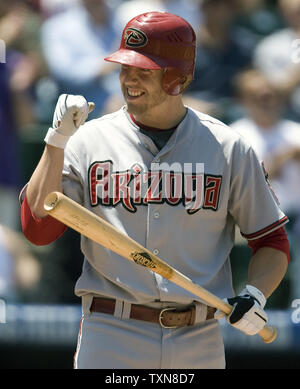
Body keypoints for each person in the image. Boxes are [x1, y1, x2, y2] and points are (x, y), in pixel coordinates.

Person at [20, 12, 289, 369]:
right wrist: (55, 142)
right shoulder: (87, 140)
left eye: (144, 70)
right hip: (111, 328)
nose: (129, 78)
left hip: (199, 333)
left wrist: (256, 293)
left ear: (178, 78)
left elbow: (272, 241)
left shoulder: (227, 147)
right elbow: (38, 228)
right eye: (124, 67)